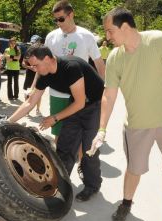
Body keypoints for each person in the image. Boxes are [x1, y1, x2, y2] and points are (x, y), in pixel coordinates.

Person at [88, 7, 162, 221]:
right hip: (136, 125)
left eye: (110, 31)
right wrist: (101, 129)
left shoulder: (159, 41)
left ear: (125, 26)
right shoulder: (115, 57)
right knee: (134, 169)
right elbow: (109, 94)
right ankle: (126, 204)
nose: (107, 37)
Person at [9, 45, 104, 201]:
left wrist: (54, 118)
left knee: (88, 149)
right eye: (31, 66)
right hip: (76, 103)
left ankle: (92, 186)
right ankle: (61, 183)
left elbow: (80, 103)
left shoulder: (70, 67)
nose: (34, 69)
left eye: (35, 65)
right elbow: (30, 101)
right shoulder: (44, 73)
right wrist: (8, 121)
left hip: (95, 103)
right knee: (65, 145)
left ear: (47, 59)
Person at [44, 0, 105, 184]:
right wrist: (33, 89)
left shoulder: (86, 36)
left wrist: (103, 92)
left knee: (82, 137)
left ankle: (83, 167)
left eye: (61, 19)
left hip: (80, 95)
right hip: (57, 93)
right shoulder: (51, 36)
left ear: (71, 15)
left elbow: (99, 64)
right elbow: (44, 65)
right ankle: (60, 173)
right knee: (59, 135)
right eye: (55, 20)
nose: (58, 23)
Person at [23, 35, 43, 115]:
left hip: (39, 74)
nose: (32, 44)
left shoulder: (41, 52)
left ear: (39, 42)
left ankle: (37, 110)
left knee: (38, 92)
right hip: (29, 74)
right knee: (27, 92)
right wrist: (29, 67)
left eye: (34, 42)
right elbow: (23, 62)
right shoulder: (28, 51)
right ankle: (26, 110)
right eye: (32, 43)